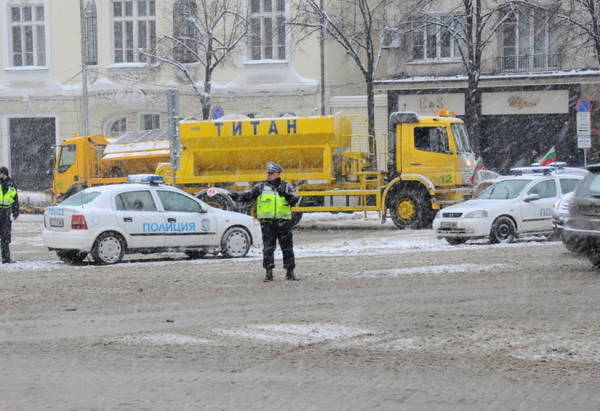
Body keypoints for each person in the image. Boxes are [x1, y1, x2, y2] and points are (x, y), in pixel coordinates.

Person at [229, 162, 300, 282]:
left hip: (284, 223)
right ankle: (268, 272)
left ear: (278, 174)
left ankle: (290, 272)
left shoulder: (286, 186)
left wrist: (286, 195)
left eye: (271, 173)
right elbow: (249, 195)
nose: (269, 175)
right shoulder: (261, 187)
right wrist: (236, 196)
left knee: (287, 248)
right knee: (268, 249)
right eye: (268, 173)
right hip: (268, 224)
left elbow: (295, 199)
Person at [0, 167, 18, 264]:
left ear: (6, 174)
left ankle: (6, 258)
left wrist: (16, 212)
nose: (1, 176)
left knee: (5, 237)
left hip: (6, 213)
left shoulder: (12, 184)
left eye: (2, 174)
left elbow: (15, 199)